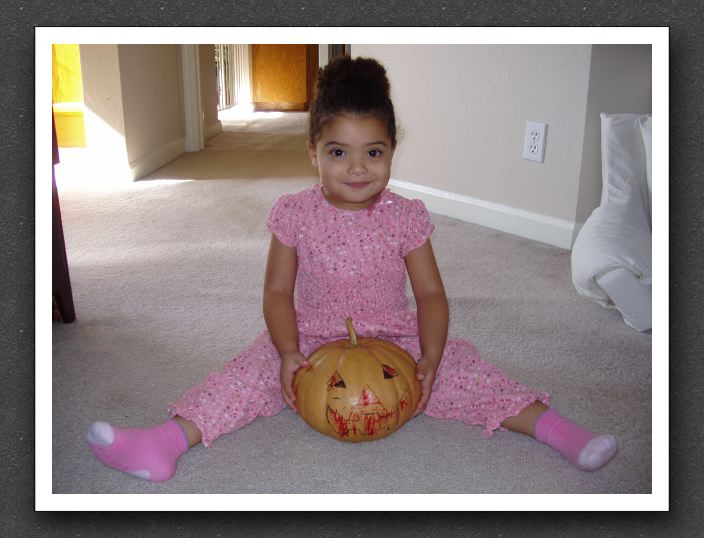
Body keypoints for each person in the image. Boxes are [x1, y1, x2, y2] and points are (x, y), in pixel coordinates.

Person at [86, 56, 617, 482]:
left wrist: (430, 356)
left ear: (392, 152)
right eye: (339, 152)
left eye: (374, 152)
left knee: (462, 373)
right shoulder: (293, 213)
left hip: (394, 338)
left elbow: (431, 296)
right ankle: (166, 440)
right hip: (310, 337)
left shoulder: (406, 217)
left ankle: (557, 432)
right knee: (249, 374)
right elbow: (276, 293)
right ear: (312, 152)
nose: (358, 168)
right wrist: (289, 351)